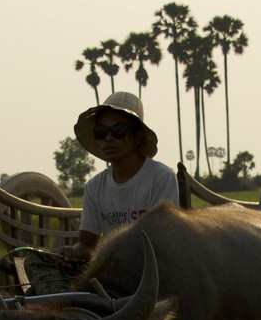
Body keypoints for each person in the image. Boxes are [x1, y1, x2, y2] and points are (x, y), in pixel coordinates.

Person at [24, 91, 178, 294]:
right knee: (35, 260)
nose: (109, 139)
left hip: (147, 271)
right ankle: (67, 303)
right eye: (101, 133)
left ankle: (70, 301)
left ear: (138, 137)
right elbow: (87, 247)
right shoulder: (95, 186)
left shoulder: (160, 177)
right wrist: (69, 254)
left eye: (119, 131)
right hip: (107, 269)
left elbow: (163, 246)